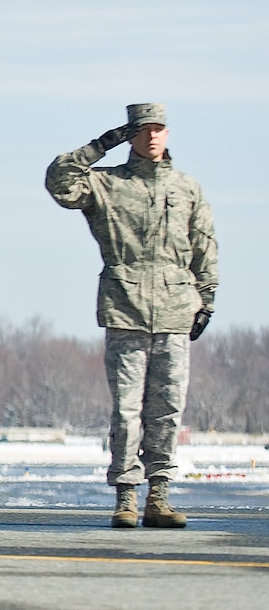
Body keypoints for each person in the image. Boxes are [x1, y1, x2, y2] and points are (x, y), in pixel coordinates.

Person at [46, 103, 217, 529]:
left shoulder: (187, 189)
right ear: (131, 134)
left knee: (167, 409)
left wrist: (207, 299)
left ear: (168, 132)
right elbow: (59, 180)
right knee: (126, 409)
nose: (152, 136)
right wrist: (103, 144)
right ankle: (126, 495)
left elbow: (204, 245)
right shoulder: (106, 185)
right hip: (126, 308)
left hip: (177, 309)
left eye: (159, 128)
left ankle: (159, 495)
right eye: (142, 130)